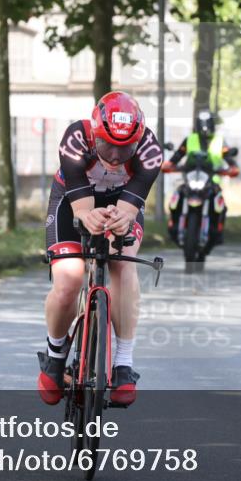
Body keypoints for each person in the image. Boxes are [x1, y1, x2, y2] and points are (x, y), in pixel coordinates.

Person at [39, 91, 163, 407]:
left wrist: (120, 221)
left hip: (120, 203)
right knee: (69, 279)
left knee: (124, 263)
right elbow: (81, 208)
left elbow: (128, 208)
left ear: (139, 139)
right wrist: (86, 216)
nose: (117, 155)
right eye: (108, 145)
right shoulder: (76, 136)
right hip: (73, 201)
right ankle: (55, 356)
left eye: (126, 148)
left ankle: (123, 363)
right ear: (95, 135)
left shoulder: (150, 150)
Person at [160, 111, 239, 250]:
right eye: (203, 125)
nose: (205, 128)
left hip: (211, 181)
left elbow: (229, 157)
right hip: (190, 179)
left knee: (221, 205)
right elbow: (178, 155)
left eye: (208, 124)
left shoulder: (220, 141)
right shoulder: (190, 139)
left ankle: (218, 232)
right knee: (177, 195)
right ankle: (173, 224)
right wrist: (169, 164)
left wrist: (232, 168)